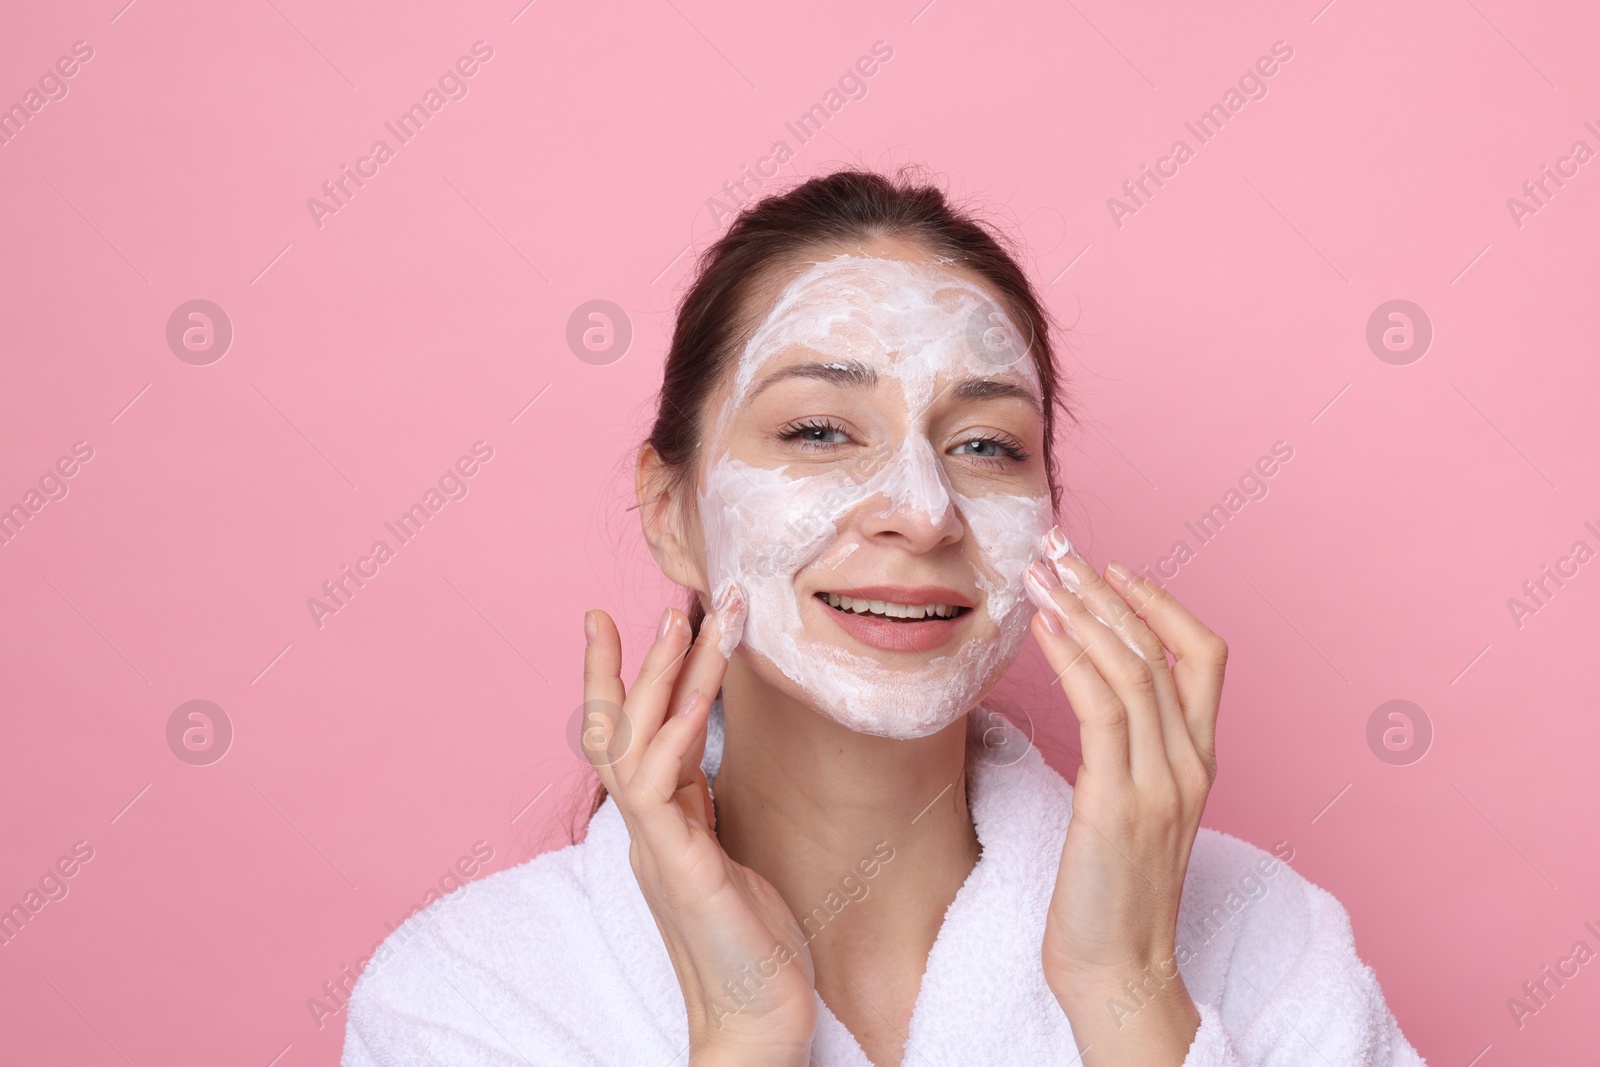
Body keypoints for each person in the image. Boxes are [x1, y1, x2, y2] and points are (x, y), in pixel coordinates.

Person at [341, 167, 1428, 1066]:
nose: (922, 508)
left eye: (988, 445)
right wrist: (743, 1033)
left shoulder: (1262, 939)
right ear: (671, 513)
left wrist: (1129, 996)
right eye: (818, 430)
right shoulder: (471, 991)